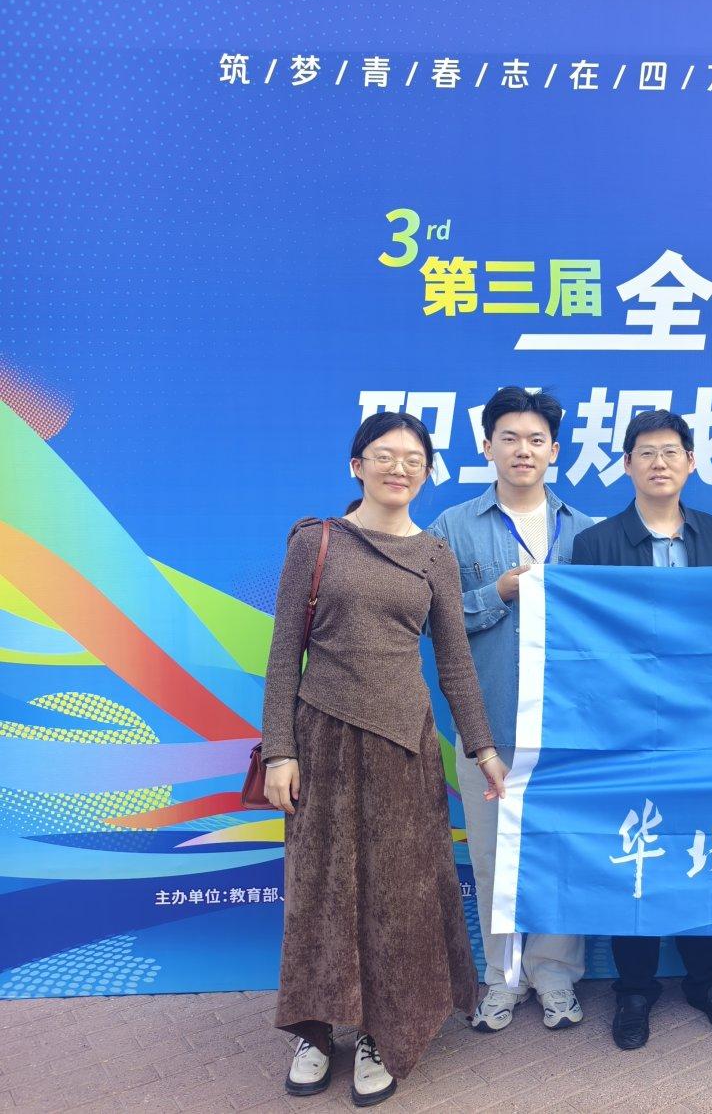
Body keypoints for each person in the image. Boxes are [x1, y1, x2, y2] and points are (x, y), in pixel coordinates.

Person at [261, 412, 507, 1106]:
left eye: (414, 458)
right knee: (320, 891)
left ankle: (381, 1032)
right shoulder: (316, 542)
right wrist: (279, 750)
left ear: (427, 472)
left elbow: (454, 664)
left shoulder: (433, 555)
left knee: (399, 897)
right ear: (356, 465)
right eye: (384, 455)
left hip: (405, 747)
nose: (400, 467)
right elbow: (283, 656)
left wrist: (482, 746)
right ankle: (316, 1032)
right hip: (323, 742)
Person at [570, 409, 712, 1051]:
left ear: (691, 462)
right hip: (627, 726)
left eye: (671, 451)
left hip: (703, 724)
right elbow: (585, 641)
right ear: (626, 464)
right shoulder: (596, 543)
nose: (659, 463)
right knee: (637, 848)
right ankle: (635, 988)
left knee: (703, 847)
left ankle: (707, 979)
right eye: (645, 452)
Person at [429, 387, 593, 1035]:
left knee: (561, 855)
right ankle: (501, 978)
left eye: (536, 440)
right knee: (493, 860)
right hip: (487, 729)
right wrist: (496, 592)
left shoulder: (583, 530)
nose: (523, 450)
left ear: (554, 450)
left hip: (568, 729)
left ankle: (556, 976)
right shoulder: (452, 527)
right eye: (510, 438)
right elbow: (432, 619)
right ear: (487, 446)